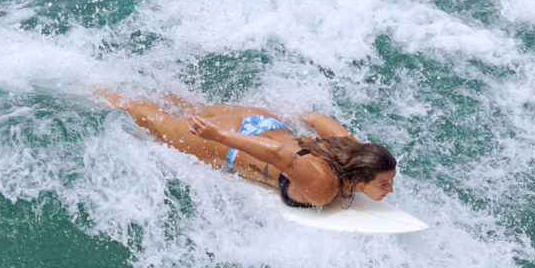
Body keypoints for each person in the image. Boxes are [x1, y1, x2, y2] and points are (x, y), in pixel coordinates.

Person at [93, 89, 397, 207]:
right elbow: (279, 155)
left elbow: (317, 118)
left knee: (187, 108)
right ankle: (93, 91)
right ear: (358, 178)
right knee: (151, 120)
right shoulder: (322, 185)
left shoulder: (353, 150)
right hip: (230, 140)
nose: (390, 190)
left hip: (259, 119)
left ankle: (137, 85)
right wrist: (217, 136)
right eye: (383, 183)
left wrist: (298, 114)